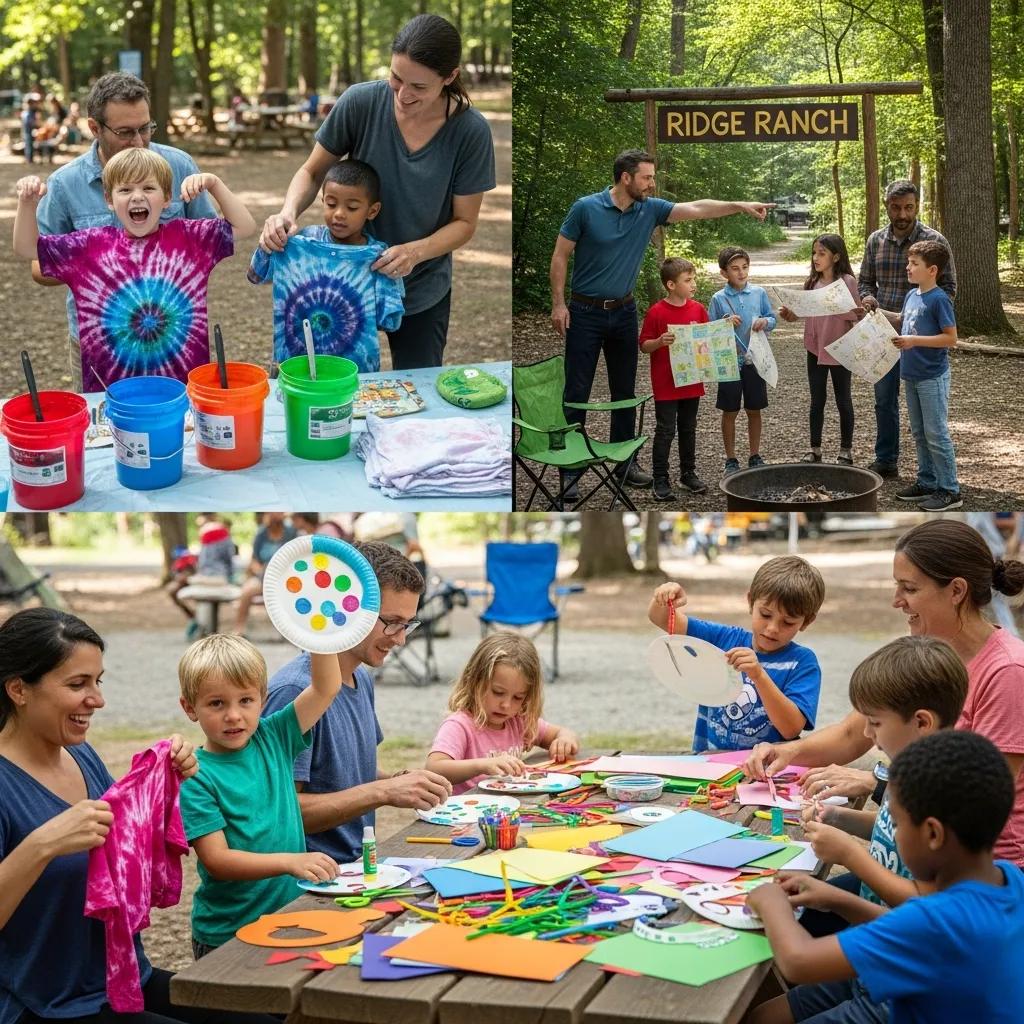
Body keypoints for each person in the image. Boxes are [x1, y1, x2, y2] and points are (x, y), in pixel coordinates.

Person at [0, 608, 277, 1024]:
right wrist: (42, 845)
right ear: (19, 690)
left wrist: (165, 787)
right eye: (78, 684)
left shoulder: (80, 755)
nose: (97, 699)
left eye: (98, 681)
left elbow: (125, 855)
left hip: (122, 978)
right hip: (45, 1004)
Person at [743, 517, 1024, 867]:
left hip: (981, 875)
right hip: (920, 857)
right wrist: (783, 751)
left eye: (909, 588)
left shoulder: (1008, 672)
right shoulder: (921, 651)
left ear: (956, 591)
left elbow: (982, 795)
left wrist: (877, 781)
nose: (896, 601)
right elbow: (851, 733)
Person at [260, 14, 495, 369]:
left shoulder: (470, 132)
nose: (403, 94)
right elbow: (311, 171)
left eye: (418, 86)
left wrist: (414, 253)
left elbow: (465, 222)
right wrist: (288, 212)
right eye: (396, 78)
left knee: (419, 390)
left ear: (449, 78)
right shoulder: (361, 102)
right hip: (342, 282)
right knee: (334, 388)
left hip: (421, 288)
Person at [744, 731, 1024, 1024]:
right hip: (920, 989)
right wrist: (838, 900)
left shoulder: (936, 921)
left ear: (932, 834)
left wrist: (770, 900)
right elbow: (914, 935)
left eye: (897, 824)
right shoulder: (1009, 879)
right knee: (763, 1017)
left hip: (900, 1008)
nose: (892, 833)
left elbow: (798, 962)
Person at [550, 152, 773, 502]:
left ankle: (624, 463)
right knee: (577, 392)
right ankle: (570, 471)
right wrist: (559, 303)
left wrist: (740, 205)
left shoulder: (649, 209)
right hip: (585, 311)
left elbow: (698, 208)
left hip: (623, 312)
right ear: (626, 178)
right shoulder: (585, 208)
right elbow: (560, 254)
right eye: (647, 178)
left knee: (624, 392)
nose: (652, 184)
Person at [262, 541, 452, 863]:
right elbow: (281, 810)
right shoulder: (295, 691)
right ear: (351, 608)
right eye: (392, 622)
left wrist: (397, 781)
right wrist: (384, 792)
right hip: (309, 880)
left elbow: (348, 773)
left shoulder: (361, 677)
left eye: (408, 624)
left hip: (356, 867)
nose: (401, 639)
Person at [32, 73, 221, 391]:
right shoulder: (64, 185)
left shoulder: (179, 166)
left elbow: (210, 238)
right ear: (94, 128)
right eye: (125, 132)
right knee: (104, 433)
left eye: (145, 128)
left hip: (173, 338)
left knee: (183, 427)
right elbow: (38, 267)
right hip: (99, 344)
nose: (138, 140)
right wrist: (92, 264)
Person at [14, 147, 254, 388]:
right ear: (109, 200)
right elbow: (27, 248)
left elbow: (245, 227)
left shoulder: (190, 240)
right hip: (110, 392)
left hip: (179, 389)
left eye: (148, 188)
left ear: (167, 198)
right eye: (126, 189)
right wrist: (26, 204)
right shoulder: (88, 246)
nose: (137, 196)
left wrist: (214, 184)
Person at [797, 636, 968, 950]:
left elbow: (926, 902)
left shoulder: (946, 795)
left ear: (922, 722)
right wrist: (836, 817)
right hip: (876, 938)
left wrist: (850, 855)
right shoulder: (905, 767)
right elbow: (890, 828)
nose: (866, 733)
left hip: (903, 953)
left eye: (874, 722)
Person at [178, 634, 344, 957]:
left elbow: (326, 688)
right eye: (216, 703)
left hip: (287, 918)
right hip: (228, 934)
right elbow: (218, 861)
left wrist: (319, 630)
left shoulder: (275, 735)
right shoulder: (195, 776)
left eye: (245, 700)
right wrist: (290, 861)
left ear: (263, 699)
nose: (233, 715)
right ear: (189, 707)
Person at [647, 555, 825, 752]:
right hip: (708, 765)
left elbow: (791, 729)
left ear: (806, 621)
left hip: (765, 772)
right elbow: (661, 618)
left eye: (788, 622)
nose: (773, 628)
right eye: (765, 614)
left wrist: (759, 676)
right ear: (750, 602)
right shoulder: (723, 638)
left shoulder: (802, 663)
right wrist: (665, 597)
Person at [247, 158, 404, 373]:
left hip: (352, 374)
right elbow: (256, 274)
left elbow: (390, 321)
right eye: (331, 204)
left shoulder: (379, 260)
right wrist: (269, 242)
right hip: (295, 367)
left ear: (372, 211)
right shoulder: (299, 243)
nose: (339, 213)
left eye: (351, 207)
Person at [857, 180, 956, 479]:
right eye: (897, 207)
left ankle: (936, 479)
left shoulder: (933, 241)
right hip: (883, 332)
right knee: (884, 399)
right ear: (887, 205)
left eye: (909, 207)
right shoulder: (875, 240)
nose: (903, 214)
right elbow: (865, 281)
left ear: (917, 206)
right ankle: (886, 460)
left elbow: (949, 287)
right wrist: (867, 298)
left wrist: (923, 320)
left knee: (927, 415)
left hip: (921, 341)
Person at [426, 632, 579, 794]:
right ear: (474, 681)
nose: (506, 705)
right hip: (466, 813)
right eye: (498, 692)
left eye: (517, 697)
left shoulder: (518, 720)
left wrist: (564, 740)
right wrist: (482, 765)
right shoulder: (459, 725)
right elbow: (434, 768)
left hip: (506, 811)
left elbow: (562, 733)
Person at [875, 240, 959, 511]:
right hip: (910, 375)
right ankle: (927, 482)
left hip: (932, 377)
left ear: (932, 270)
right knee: (920, 433)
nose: (907, 267)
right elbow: (902, 319)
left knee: (936, 433)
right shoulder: (912, 295)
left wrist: (914, 341)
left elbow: (950, 339)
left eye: (914, 264)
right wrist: (876, 311)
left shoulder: (939, 299)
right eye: (908, 262)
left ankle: (949, 489)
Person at [778, 234, 861, 466]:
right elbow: (803, 313)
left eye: (821, 253)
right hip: (815, 348)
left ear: (836, 256)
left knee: (843, 400)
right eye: (814, 252)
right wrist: (790, 315)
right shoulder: (812, 283)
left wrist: (833, 304)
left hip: (840, 349)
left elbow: (856, 314)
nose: (816, 258)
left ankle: (846, 451)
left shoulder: (847, 282)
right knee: (817, 400)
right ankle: (814, 448)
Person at [638, 256, 710, 501]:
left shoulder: (698, 309)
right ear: (671, 285)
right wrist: (660, 342)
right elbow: (644, 345)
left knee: (688, 429)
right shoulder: (657, 312)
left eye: (694, 279)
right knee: (666, 430)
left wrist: (724, 328)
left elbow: (707, 339)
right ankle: (660, 478)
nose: (693, 284)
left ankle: (688, 474)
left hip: (692, 381)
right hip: (667, 384)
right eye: (688, 280)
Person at [708, 246, 777, 476]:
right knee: (729, 411)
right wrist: (723, 324)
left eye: (745, 267)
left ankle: (754, 455)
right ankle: (730, 459)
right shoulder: (718, 298)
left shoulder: (758, 293)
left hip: (755, 359)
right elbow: (708, 331)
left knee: (754, 409)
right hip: (729, 361)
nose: (741, 273)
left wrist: (765, 323)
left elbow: (772, 318)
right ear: (724, 273)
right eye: (735, 269)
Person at [233, 513, 297, 635]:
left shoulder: (291, 532)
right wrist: (261, 571)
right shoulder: (261, 533)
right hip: (263, 576)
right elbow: (254, 560)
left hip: (286, 576)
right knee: (247, 590)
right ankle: (239, 629)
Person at [20, 94, 40, 164]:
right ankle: (29, 160)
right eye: (34, 103)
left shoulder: (32, 112)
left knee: (30, 146)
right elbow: (30, 123)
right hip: (28, 132)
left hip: (30, 132)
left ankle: (30, 159)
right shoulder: (27, 113)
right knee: (29, 146)